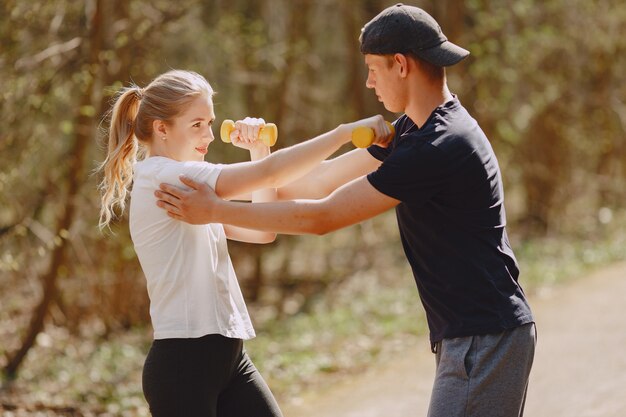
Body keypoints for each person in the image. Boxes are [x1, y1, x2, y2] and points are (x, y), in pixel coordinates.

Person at [154, 4, 537, 417]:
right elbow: (315, 183)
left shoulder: (437, 146)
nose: (370, 83)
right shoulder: (414, 131)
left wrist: (214, 210)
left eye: (373, 69)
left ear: (401, 65)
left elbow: (322, 216)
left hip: (485, 337)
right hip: (477, 336)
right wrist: (258, 154)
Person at [98, 69, 391, 417]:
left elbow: (263, 229)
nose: (208, 135)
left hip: (228, 359)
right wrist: (344, 133)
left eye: (210, 122)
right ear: (161, 128)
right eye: (196, 125)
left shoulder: (190, 190)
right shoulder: (166, 177)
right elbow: (271, 175)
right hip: (184, 368)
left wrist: (258, 149)